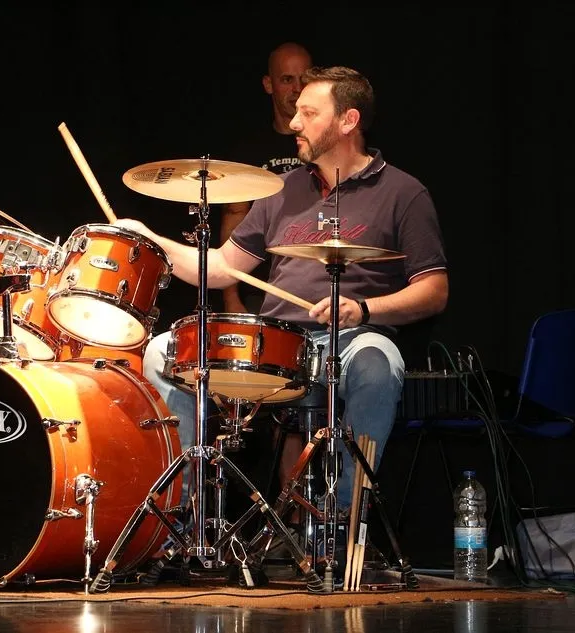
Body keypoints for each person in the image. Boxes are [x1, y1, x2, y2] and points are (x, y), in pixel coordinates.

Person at [115, 65, 449, 520]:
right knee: (162, 353)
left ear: (348, 120)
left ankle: (344, 516)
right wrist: (150, 239)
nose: (293, 123)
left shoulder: (404, 193)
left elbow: (433, 290)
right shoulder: (283, 189)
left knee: (379, 362)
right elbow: (222, 267)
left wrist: (364, 308)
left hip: (353, 340)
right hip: (278, 344)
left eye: (308, 113)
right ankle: (181, 510)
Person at [219, 42, 313, 314]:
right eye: (287, 80)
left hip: (318, 287)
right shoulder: (249, 151)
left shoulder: (326, 147)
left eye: (304, 79)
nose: (297, 88)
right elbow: (234, 219)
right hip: (261, 289)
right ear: (269, 84)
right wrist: (231, 297)